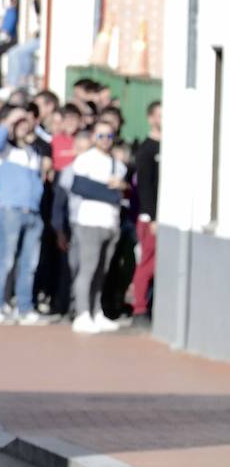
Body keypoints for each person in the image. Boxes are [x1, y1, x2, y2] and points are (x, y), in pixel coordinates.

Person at [0, 105, 47, 324]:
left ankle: (24, 307)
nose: (23, 127)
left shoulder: (34, 152)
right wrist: (9, 120)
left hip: (33, 213)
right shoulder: (4, 150)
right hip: (11, 211)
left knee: (28, 264)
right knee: (6, 260)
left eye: (26, 123)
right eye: (18, 124)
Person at [68, 121, 127, 334]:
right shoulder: (85, 159)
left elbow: (123, 190)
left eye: (109, 136)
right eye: (101, 136)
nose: (105, 140)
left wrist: (121, 187)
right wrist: (111, 192)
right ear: (94, 137)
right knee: (88, 269)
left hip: (111, 222)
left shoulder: (117, 164)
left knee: (102, 271)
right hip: (90, 221)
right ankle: (82, 313)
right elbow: (80, 186)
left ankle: (96, 311)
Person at [131, 101, 161, 328]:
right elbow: (145, 187)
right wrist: (151, 217)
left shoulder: (169, 147)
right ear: (150, 118)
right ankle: (139, 308)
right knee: (148, 264)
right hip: (150, 219)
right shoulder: (146, 150)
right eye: (159, 116)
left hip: (164, 218)